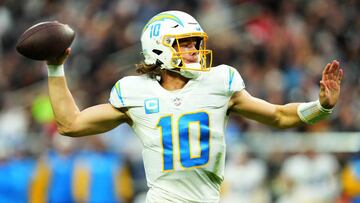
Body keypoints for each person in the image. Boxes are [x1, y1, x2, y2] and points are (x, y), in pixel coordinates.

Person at [45, 10, 343, 203]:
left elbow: (278, 115)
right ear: (158, 47)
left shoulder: (220, 82)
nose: (194, 50)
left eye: (195, 43)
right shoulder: (133, 92)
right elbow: (71, 124)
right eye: (184, 43)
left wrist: (321, 106)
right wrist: (55, 68)